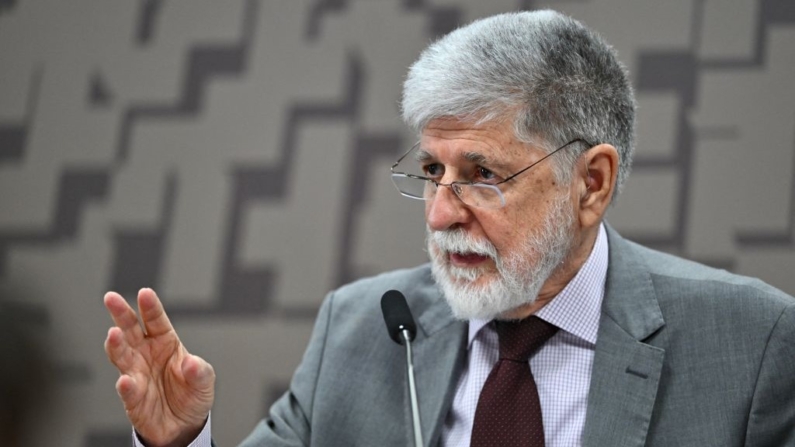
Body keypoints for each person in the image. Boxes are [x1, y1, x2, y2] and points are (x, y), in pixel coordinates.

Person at [104, 10, 795, 447]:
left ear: (591, 183)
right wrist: (180, 440)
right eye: (432, 169)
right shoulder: (361, 330)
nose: (439, 213)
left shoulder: (750, 345)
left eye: (483, 174)